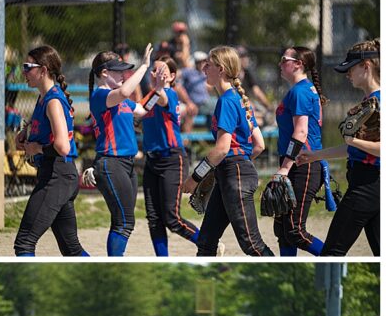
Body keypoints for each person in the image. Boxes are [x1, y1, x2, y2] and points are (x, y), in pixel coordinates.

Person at [182, 46, 273, 256]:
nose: (203, 69)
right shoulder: (240, 99)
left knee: (251, 243)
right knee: (206, 242)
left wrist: (195, 178)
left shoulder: (227, 101)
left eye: (208, 65)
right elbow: (259, 145)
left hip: (235, 175)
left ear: (221, 69)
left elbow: (222, 149)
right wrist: (238, 162)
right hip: (232, 173)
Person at [298, 40, 380, 256]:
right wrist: (315, 156)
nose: (347, 74)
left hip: (367, 186)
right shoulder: (370, 100)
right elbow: (355, 149)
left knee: (331, 254)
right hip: (371, 184)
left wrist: (352, 140)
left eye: (351, 68)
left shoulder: (379, 101)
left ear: (366, 65)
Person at [13, 44, 88, 257]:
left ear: (43, 70)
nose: (24, 72)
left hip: (57, 176)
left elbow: (63, 146)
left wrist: (37, 148)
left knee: (24, 243)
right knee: (71, 249)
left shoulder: (53, 100)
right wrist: (27, 132)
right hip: (58, 175)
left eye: (28, 67)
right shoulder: (43, 97)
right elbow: (47, 128)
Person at [85, 43, 153, 256]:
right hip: (111, 162)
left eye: (125, 71)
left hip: (127, 164)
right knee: (125, 223)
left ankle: (115, 257)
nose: (125, 74)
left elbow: (142, 110)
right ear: (104, 73)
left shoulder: (121, 100)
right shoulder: (100, 96)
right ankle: (116, 260)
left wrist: (159, 88)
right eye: (119, 71)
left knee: (121, 221)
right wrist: (143, 67)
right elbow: (125, 91)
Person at [140, 56, 199, 254]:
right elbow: (137, 115)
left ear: (172, 76)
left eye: (161, 71)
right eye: (153, 70)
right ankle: (161, 258)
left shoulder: (169, 94)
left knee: (172, 219)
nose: (155, 74)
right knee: (154, 218)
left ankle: (208, 244)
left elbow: (162, 98)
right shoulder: (150, 96)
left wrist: (160, 85)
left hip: (172, 160)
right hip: (152, 160)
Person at [272, 46, 327, 256]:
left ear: (298, 64)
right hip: (297, 163)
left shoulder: (300, 91)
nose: (280, 63)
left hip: (303, 164)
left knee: (295, 230)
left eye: (284, 59)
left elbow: (301, 132)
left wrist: (285, 168)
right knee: (283, 230)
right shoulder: (301, 90)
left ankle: (332, 258)